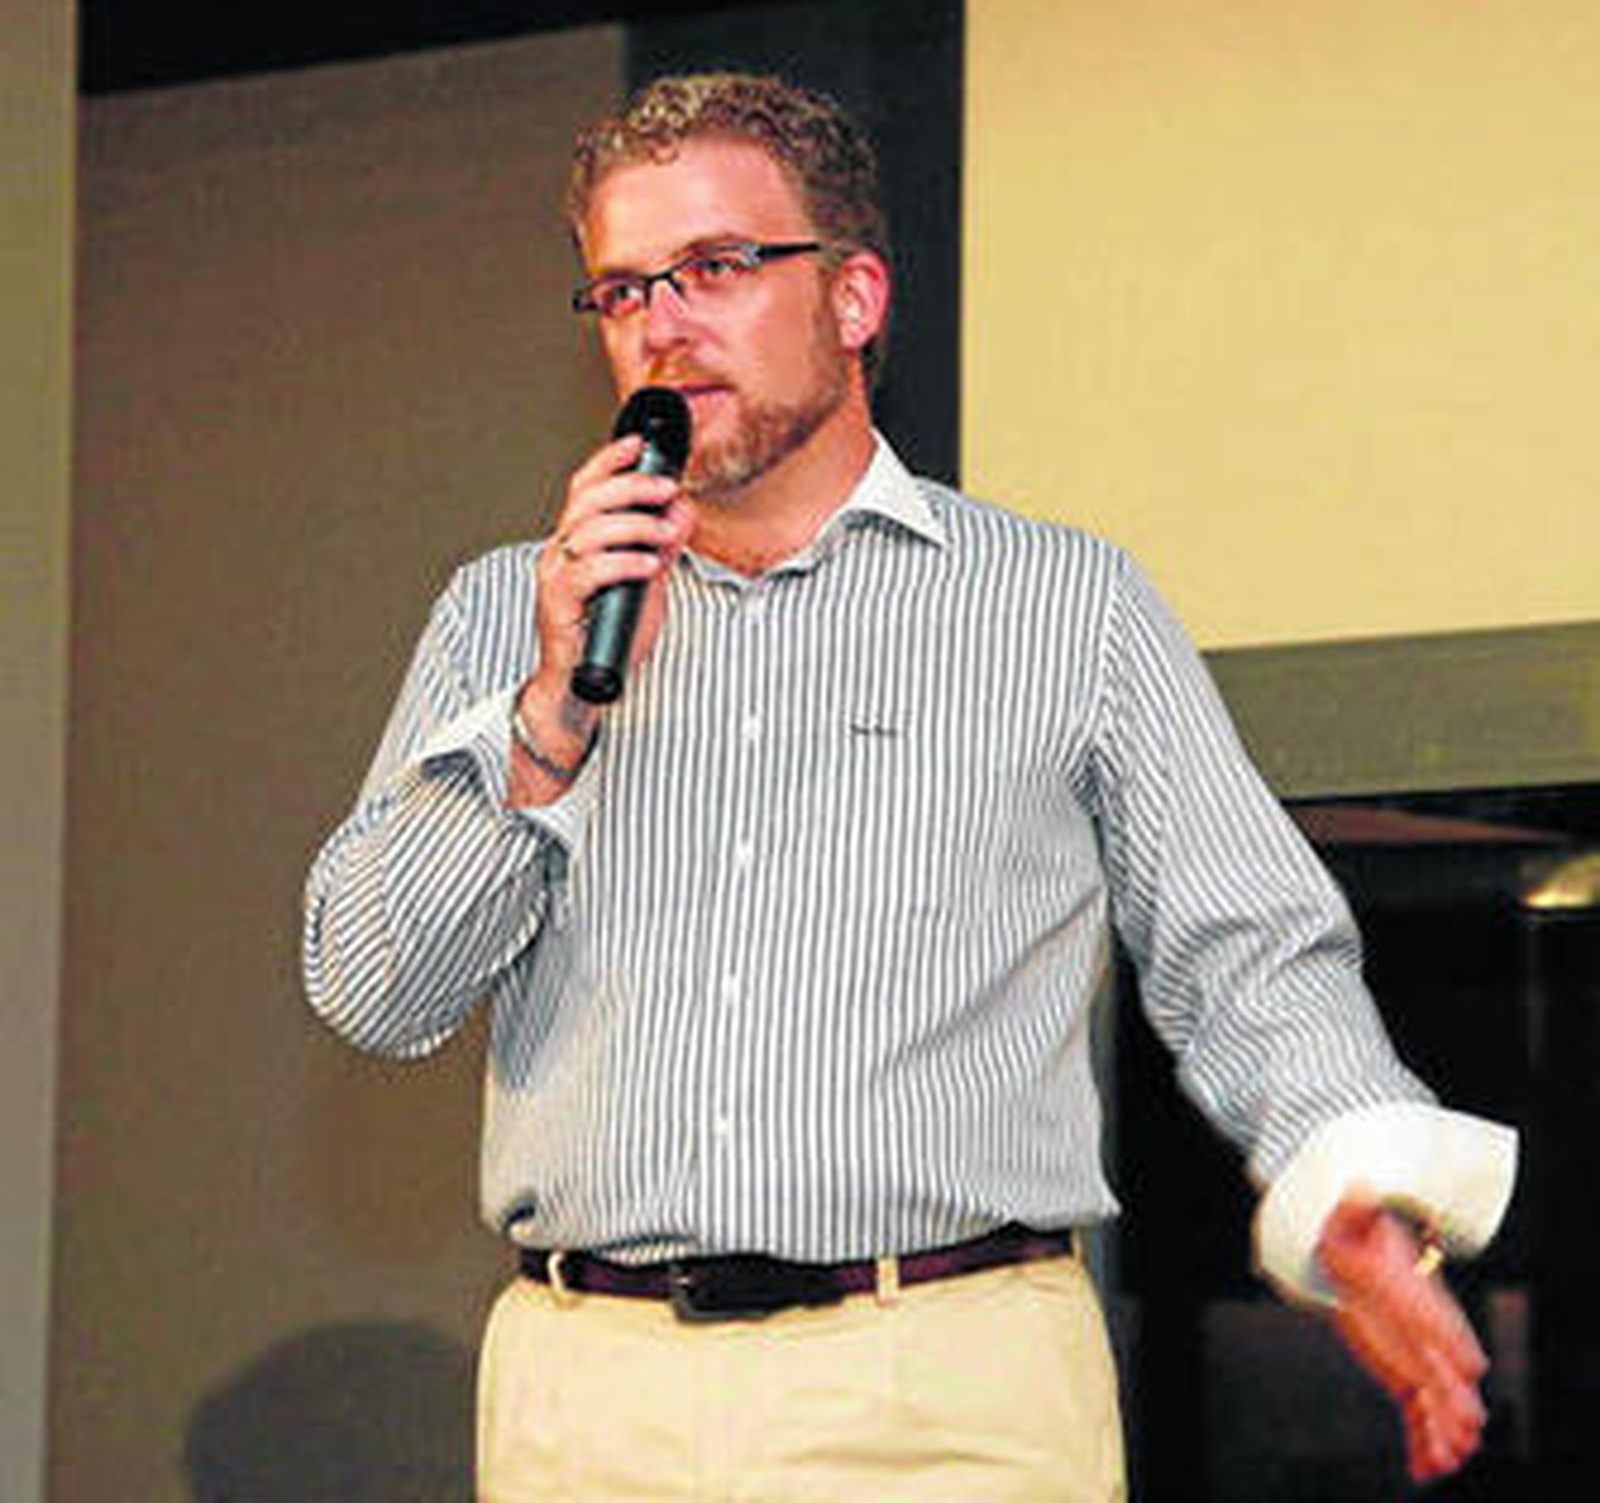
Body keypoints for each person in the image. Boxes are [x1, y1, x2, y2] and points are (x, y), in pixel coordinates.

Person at [302, 72, 1517, 1501]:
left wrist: (1352, 1186)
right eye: (624, 290)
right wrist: (548, 716)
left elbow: (1244, 945)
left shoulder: (1065, 606)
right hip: (586, 1396)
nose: (665, 323)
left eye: (716, 268)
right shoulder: (510, 615)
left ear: (856, 298)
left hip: (944, 1384)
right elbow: (375, 992)